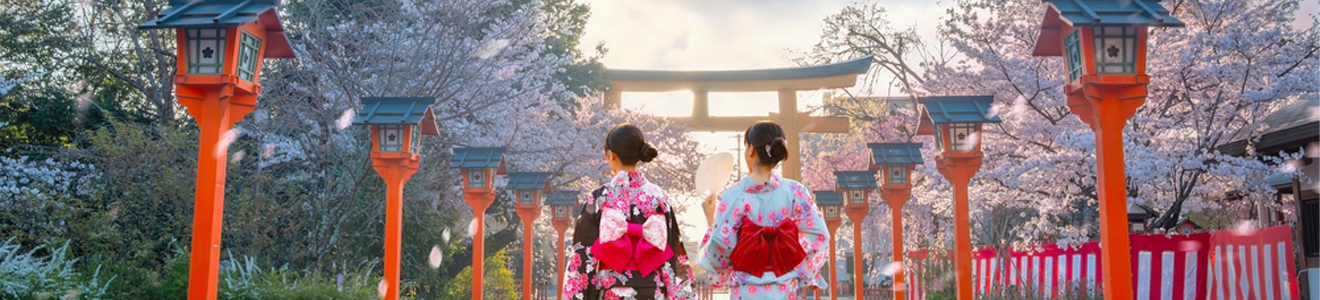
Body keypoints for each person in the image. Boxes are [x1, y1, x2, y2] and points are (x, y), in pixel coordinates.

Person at [698, 121, 829, 300]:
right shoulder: (794, 191)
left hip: (746, 288)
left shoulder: (734, 196)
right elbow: (820, 235)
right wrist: (801, 269)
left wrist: (710, 219)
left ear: (750, 149)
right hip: (786, 288)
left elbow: (720, 246)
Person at [564, 123, 696, 300]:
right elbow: (673, 252)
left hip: (612, 291)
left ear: (610, 155)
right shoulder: (659, 197)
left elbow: (582, 257)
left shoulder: (600, 198)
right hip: (652, 291)